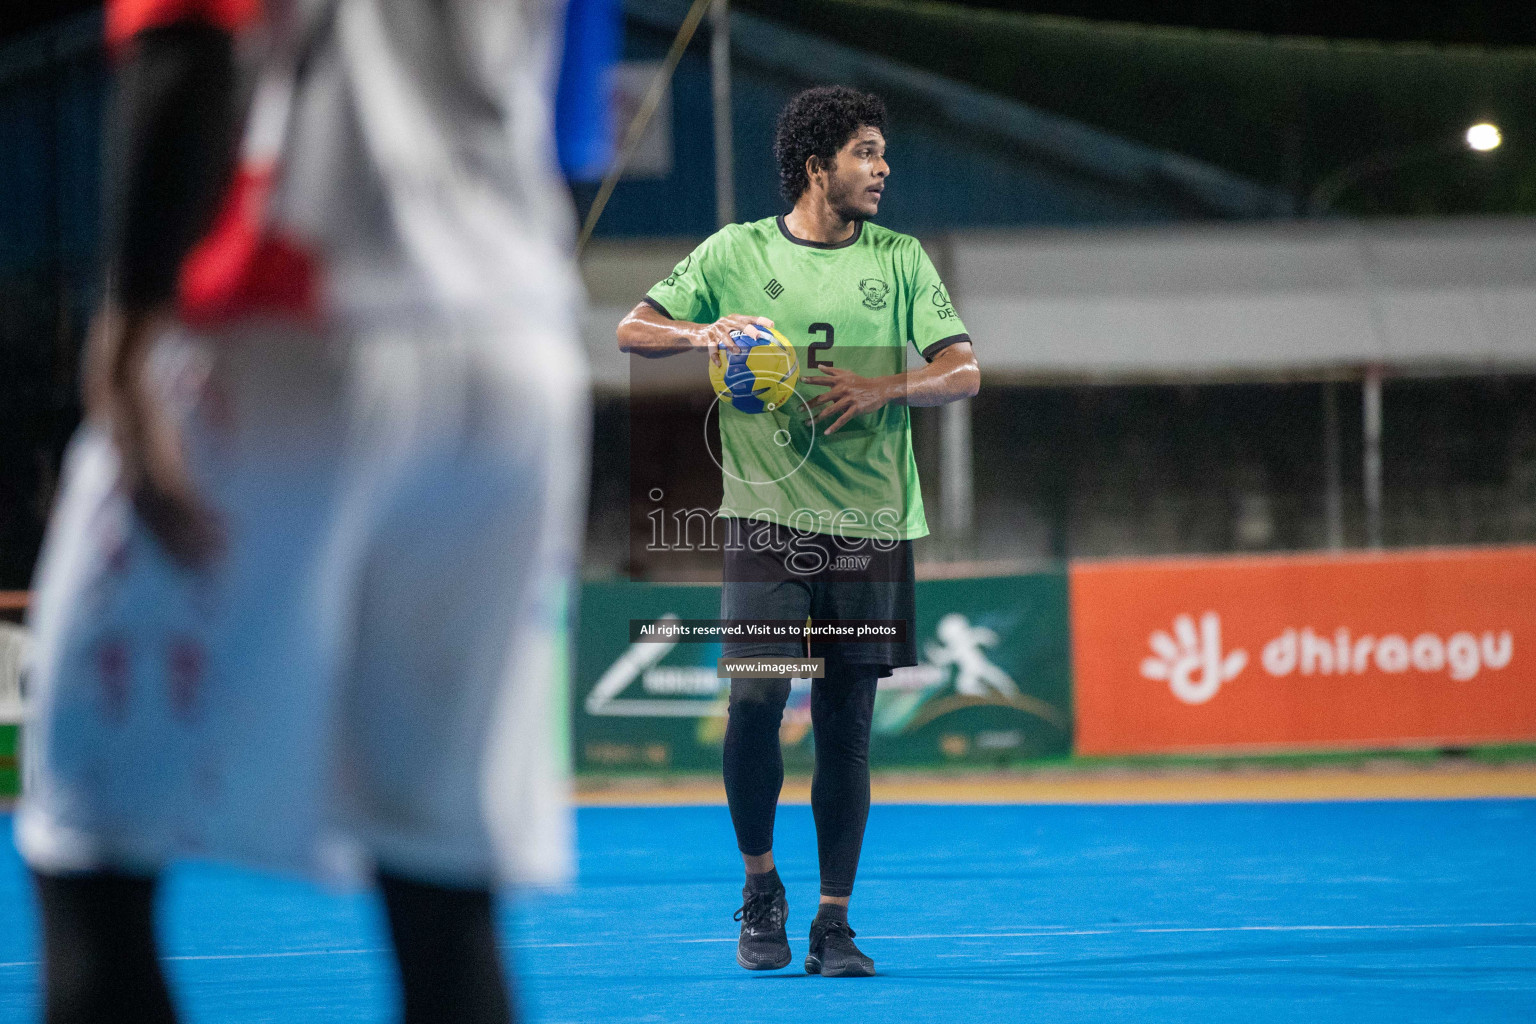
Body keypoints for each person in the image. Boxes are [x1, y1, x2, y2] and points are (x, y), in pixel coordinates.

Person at [16, 1, 589, 1022]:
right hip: (515, 342)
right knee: (442, 884)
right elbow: (573, 118)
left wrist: (130, 322)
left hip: (289, 319)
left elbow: (188, 44)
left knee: (86, 852)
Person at [615, 85, 980, 977]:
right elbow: (633, 328)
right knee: (754, 704)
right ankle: (760, 886)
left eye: (882, 154)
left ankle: (833, 922)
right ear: (817, 167)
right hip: (768, 522)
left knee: (846, 728)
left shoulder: (901, 261)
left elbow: (963, 372)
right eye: (866, 153)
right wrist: (709, 333)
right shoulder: (734, 252)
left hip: (870, 525)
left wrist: (884, 389)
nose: (882, 168)